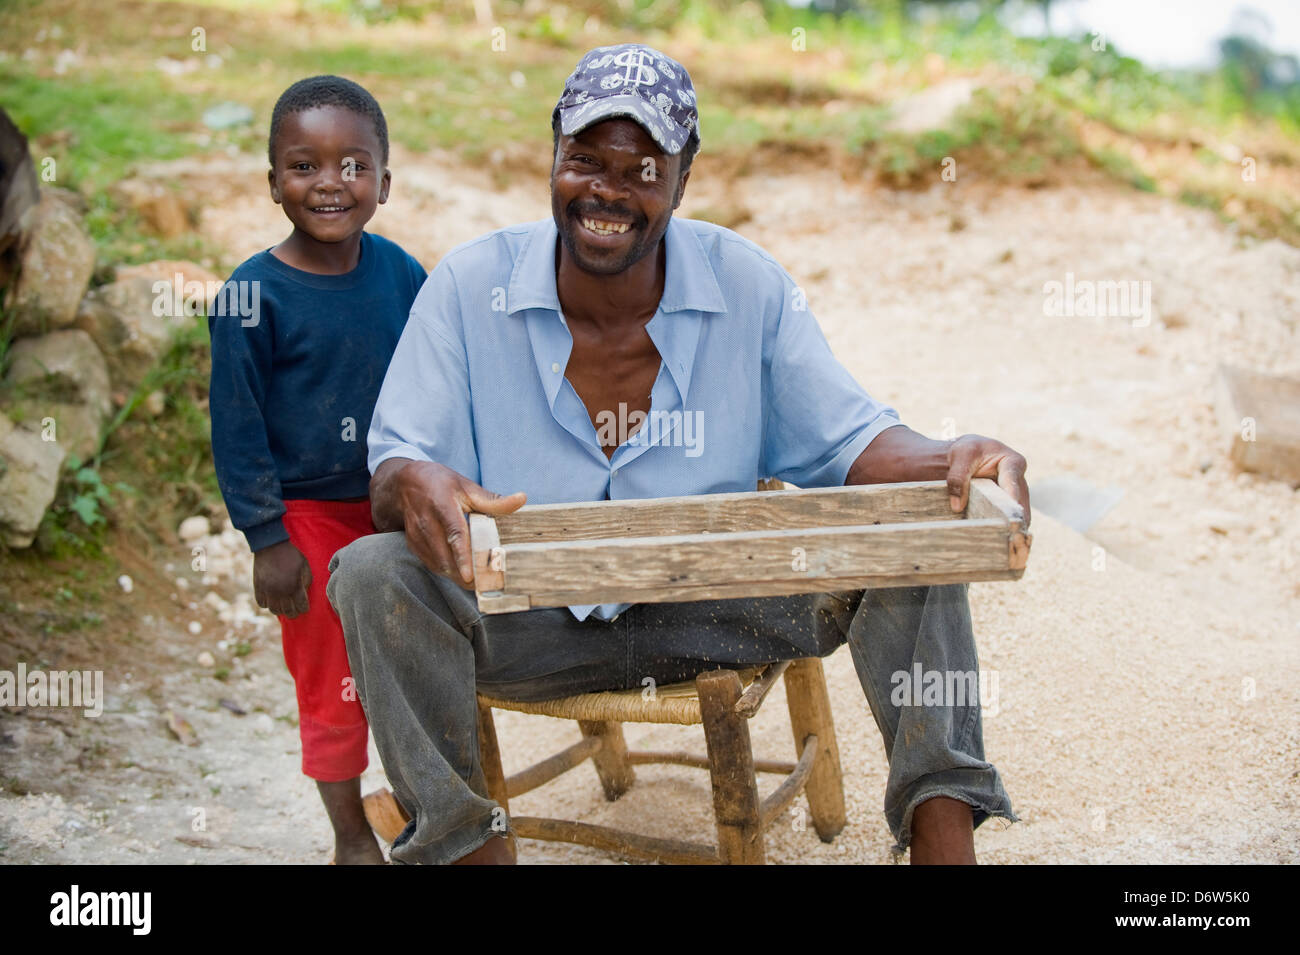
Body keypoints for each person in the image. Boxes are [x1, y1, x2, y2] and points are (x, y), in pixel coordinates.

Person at [327, 44, 1029, 865]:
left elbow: (851, 441)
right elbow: (393, 470)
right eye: (585, 160)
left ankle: (944, 842)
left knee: (925, 529)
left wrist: (954, 456)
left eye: (641, 170)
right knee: (373, 573)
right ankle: (465, 848)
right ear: (552, 154)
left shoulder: (747, 284)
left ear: (683, 179)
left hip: (722, 610)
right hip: (529, 623)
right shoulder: (468, 285)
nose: (606, 192)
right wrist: (413, 477)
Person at [208, 74, 427, 865]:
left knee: (411, 661)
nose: (330, 182)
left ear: (384, 182)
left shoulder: (403, 275)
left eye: (352, 165)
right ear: (273, 183)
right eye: (304, 165)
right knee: (330, 684)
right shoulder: (249, 297)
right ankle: (350, 838)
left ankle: (429, 808)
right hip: (305, 518)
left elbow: (439, 379)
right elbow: (235, 429)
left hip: (395, 507)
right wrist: (267, 537)